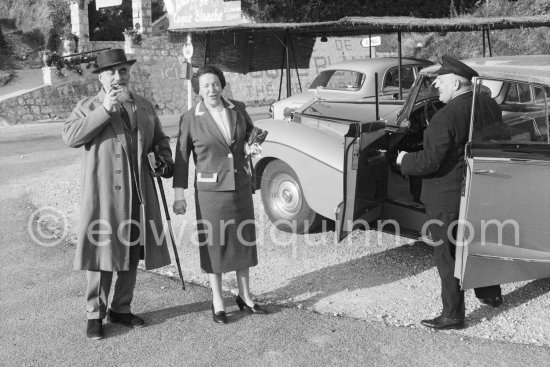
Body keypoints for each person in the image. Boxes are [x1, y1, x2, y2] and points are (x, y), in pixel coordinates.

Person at [62, 49, 174, 340]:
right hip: (104, 196)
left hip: (139, 193)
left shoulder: (146, 106)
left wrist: (164, 159)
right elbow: (71, 136)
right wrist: (105, 110)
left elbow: (161, 140)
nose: (118, 77)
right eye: (111, 72)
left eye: (123, 71)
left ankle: (120, 308)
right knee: (102, 254)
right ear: (100, 77)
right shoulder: (87, 106)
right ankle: (94, 314)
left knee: (132, 251)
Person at [396, 55, 503, 330]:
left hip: (448, 196)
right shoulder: (488, 105)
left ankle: (453, 314)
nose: (436, 88)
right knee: (479, 242)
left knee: (448, 254)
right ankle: (490, 293)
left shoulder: (445, 117)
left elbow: (430, 162)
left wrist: (404, 159)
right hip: (482, 188)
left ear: (456, 83)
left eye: (440, 83)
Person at [173, 65, 267, 324]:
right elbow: (181, 160)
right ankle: (217, 301)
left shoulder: (237, 108)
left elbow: (252, 136)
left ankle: (245, 297)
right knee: (215, 246)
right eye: (205, 86)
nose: (211, 89)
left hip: (239, 186)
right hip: (210, 194)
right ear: (198, 90)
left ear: (222, 85)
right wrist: (178, 195)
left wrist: (252, 148)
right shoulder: (190, 118)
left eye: (215, 84)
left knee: (243, 242)